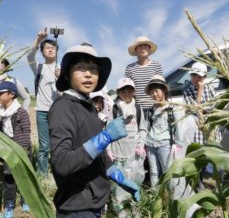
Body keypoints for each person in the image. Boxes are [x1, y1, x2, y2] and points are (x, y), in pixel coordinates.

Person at [48, 43, 140, 218]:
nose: (88, 73)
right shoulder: (63, 108)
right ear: (67, 74)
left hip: (93, 203)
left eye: (93, 69)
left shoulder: (89, 108)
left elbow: (99, 156)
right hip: (76, 208)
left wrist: (119, 177)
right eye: (81, 68)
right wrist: (105, 137)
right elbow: (62, 163)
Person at [107, 77, 146, 217]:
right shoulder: (114, 108)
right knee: (118, 186)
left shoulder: (137, 108)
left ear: (134, 91)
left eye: (130, 90)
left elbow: (142, 129)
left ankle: (136, 209)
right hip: (118, 156)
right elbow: (109, 131)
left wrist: (141, 145)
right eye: (123, 90)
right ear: (118, 92)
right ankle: (121, 211)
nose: (127, 93)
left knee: (134, 184)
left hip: (133, 156)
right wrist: (109, 150)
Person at [27, 27, 60, 176]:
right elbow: (29, 56)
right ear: (42, 52)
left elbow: (67, 92)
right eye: (47, 48)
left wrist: (61, 79)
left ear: (57, 51)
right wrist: (38, 39)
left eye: (53, 47)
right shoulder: (38, 67)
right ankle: (42, 175)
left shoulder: (63, 68)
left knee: (58, 144)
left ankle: (58, 173)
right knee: (44, 146)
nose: (50, 49)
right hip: (41, 111)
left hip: (58, 111)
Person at [145, 75, 186, 187]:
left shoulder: (173, 108)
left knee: (167, 171)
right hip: (150, 143)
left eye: (156, 91)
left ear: (164, 91)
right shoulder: (150, 110)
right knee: (153, 171)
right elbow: (147, 126)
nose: (154, 94)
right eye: (151, 92)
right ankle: (156, 195)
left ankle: (170, 195)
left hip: (165, 144)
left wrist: (178, 146)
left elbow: (179, 127)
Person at [0, 81, 32, 218]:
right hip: (7, 152)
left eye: (1, 93)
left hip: (22, 151)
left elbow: (26, 133)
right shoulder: (0, 113)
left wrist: (21, 152)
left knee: (24, 178)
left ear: (12, 94)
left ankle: (27, 201)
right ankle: (9, 205)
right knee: (9, 180)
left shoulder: (21, 112)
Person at [183, 62, 222, 145]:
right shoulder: (187, 92)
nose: (196, 79)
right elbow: (195, 110)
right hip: (197, 132)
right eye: (193, 76)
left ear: (205, 77)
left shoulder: (210, 89)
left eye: (199, 76)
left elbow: (214, 109)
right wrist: (200, 91)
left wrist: (204, 110)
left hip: (211, 130)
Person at [125, 36, 163, 118]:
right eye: (140, 46)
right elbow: (127, 89)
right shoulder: (129, 68)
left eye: (145, 45)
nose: (143, 48)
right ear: (136, 50)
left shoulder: (156, 65)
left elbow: (161, 87)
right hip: (136, 110)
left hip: (155, 108)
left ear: (149, 49)